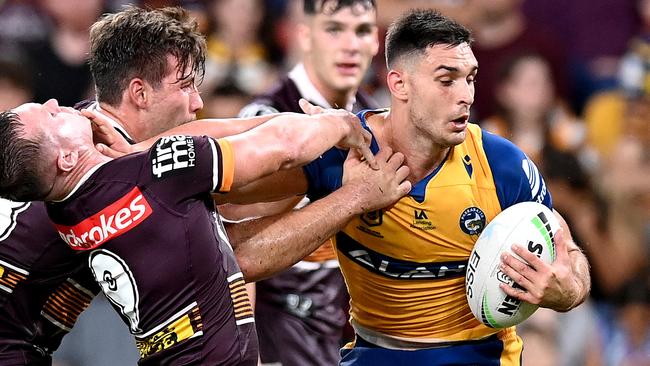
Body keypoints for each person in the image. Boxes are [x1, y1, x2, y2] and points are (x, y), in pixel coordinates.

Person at [208, 9, 591, 365]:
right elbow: (237, 252)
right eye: (446, 80)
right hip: (375, 351)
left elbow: (570, 259)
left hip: (482, 355)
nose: (466, 96)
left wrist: (565, 289)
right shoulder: (347, 151)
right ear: (399, 83)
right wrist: (353, 198)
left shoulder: (502, 165)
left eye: (470, 78)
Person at [0, 94, 409, 366]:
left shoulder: (63, 213)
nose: (57, 101)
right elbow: (283, 146)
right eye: (51, 113)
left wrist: (134, 150)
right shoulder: (154, 174)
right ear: (69, 157)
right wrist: (339, 124)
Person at [234, 0, 379, 364]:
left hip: (355, 336)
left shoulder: (378, 118)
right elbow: (233, 239)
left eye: (361, 30)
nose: (350, 45)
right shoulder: (266, 119)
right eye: (334, 29)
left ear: (376, 42)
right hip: (280, 337)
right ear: (305, 36)